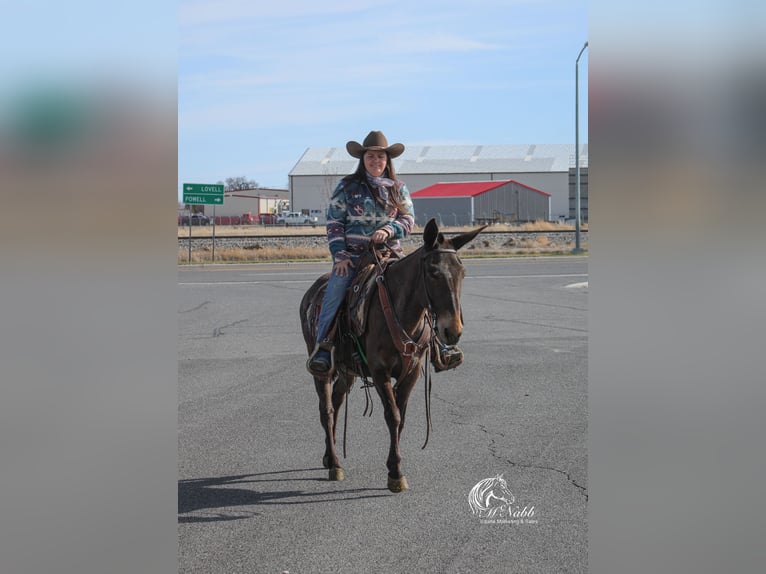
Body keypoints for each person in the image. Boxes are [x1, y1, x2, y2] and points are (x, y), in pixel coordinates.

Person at [307, 130, 415, 375]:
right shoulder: (348, 186)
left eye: (380, 157)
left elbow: (408, 219)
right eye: (371, 156)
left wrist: (389, 230)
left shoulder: (398, 188)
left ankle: (438, 345)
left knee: (421, 286)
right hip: (354, 258)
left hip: (389, 256)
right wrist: (340, 255)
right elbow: (334, 223)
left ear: (388, 160)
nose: (376, 161)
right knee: (334, 292)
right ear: (363, 158)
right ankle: (323, 347)